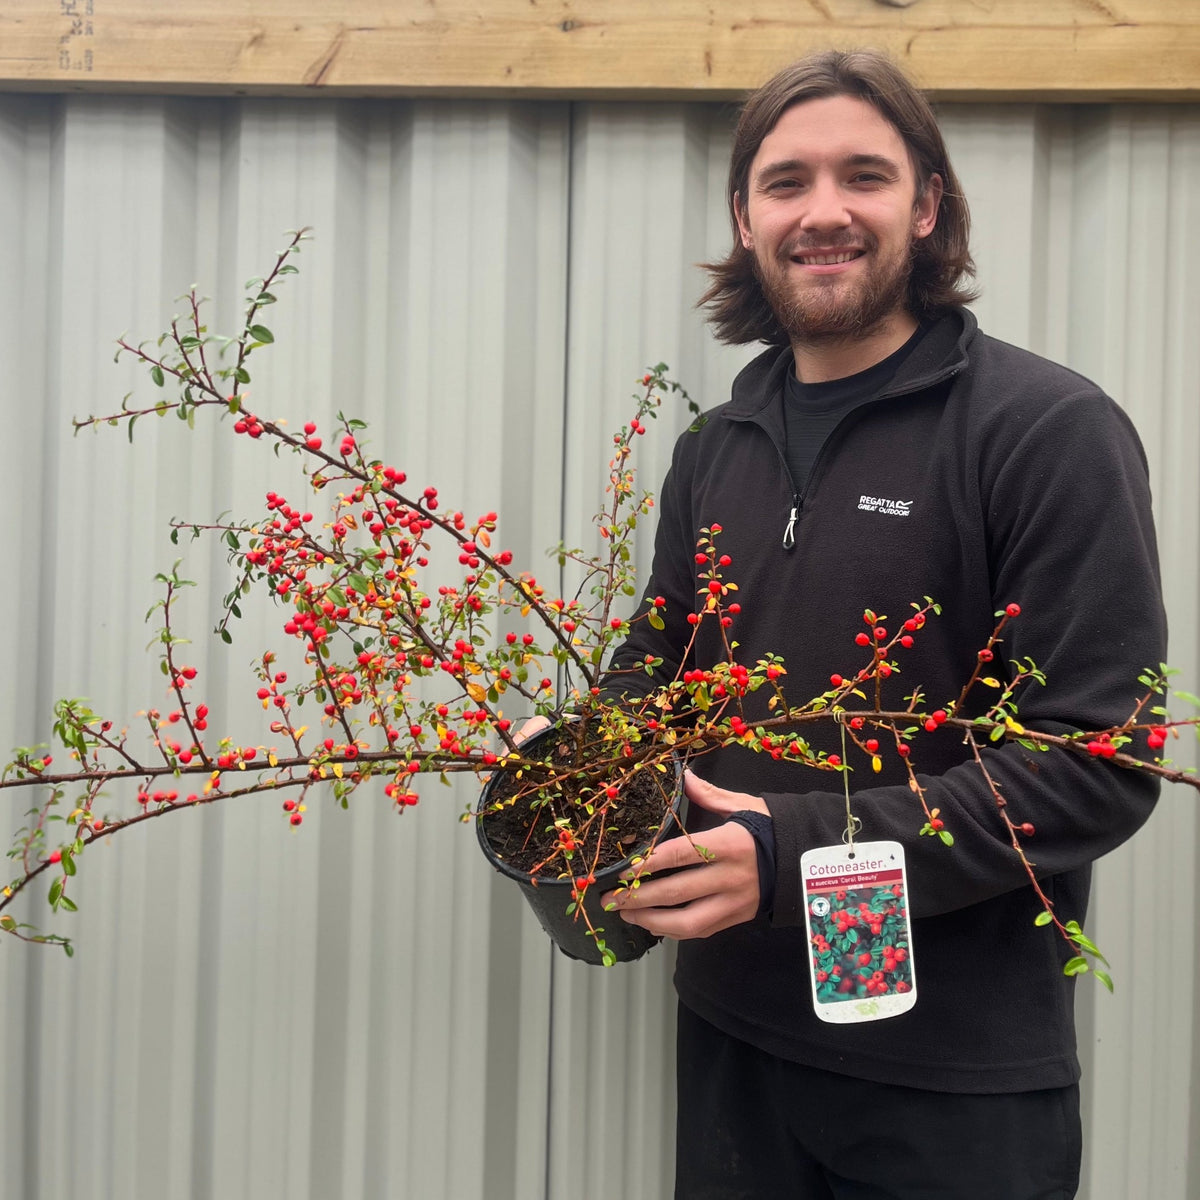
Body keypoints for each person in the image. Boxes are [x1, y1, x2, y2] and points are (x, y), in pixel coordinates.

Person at [597, 49, 1166, 1199]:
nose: (824, 211)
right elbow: (656, 669)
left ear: (926, 203)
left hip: (950, 1083)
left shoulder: (1042, 430)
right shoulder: (722, 442)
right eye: (787, 181)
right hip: (733, 1038)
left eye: (863, 174)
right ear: (746, 216)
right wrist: (586, 757)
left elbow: (1095, 764)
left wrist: (792, 852)